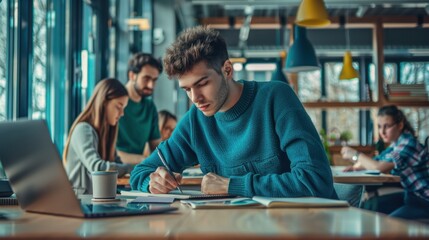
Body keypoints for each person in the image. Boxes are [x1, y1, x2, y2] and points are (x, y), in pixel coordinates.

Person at [130, 26, 337, 199]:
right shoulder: (195, 121)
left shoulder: (276, 97)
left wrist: (232, 185)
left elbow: (315, 180)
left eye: (202, 84)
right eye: (187, 89)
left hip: (306, 226)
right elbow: (139, 172)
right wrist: (152, 182)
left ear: (227, 70)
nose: (195, 98)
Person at [341, 105, 429, 219]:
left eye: (387, 126)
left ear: (400, 125)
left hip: (423, 201)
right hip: (411, 196)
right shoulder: (396, 144)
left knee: (387, 223)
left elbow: (379, 167)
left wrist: (355, 154)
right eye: (379, 126)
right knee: (368, 206)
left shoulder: (408, 144)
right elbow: (376, 161)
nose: (382, 131)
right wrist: (356, 166)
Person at [63, 78, 134, 194]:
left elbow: (118, 163)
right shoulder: (83, 129)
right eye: (119, 106)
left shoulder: (105, 135)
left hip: (96, 201)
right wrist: (130, 168)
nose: (122, 114)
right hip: (80, 203)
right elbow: (97, 167)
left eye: (123, 108)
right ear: (104, 102)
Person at [116, 53, 163, 165]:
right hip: (112, 173)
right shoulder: (114, 102)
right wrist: (144, 160)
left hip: (135, 173)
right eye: (146, 79)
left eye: (154, 80)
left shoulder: (149, 106)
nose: (151, 85)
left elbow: (157, 148)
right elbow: (107, 154)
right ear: (132, 75)